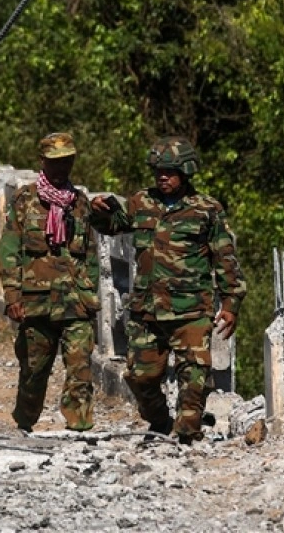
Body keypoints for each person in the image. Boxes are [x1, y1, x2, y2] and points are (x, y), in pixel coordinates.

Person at [90, 136, 246, 444]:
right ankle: (161, 421)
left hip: (191, 310)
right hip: (147, 310)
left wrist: (231, 304)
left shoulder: (207, 209)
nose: (162, 177)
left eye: (170, 171)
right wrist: (99, 211)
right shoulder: (140, 203)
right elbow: (111, 225)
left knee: (194, 379)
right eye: (158, 171)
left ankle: (187, 437)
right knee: (140, 377)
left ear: (186, 172)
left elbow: (225, 259)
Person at [0, 132, 99, 434]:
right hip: (36, 302)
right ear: (42, 161)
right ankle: (24, 422)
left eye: (67, 161)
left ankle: (80, 426)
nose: (61, 168)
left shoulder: (80, 203)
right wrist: (12, 296)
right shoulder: (25, 200)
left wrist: (90, 292)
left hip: (75, 302)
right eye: (55, 162)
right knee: (33, 371)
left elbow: (90, 253)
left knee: (80, 366)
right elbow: (8, 250)